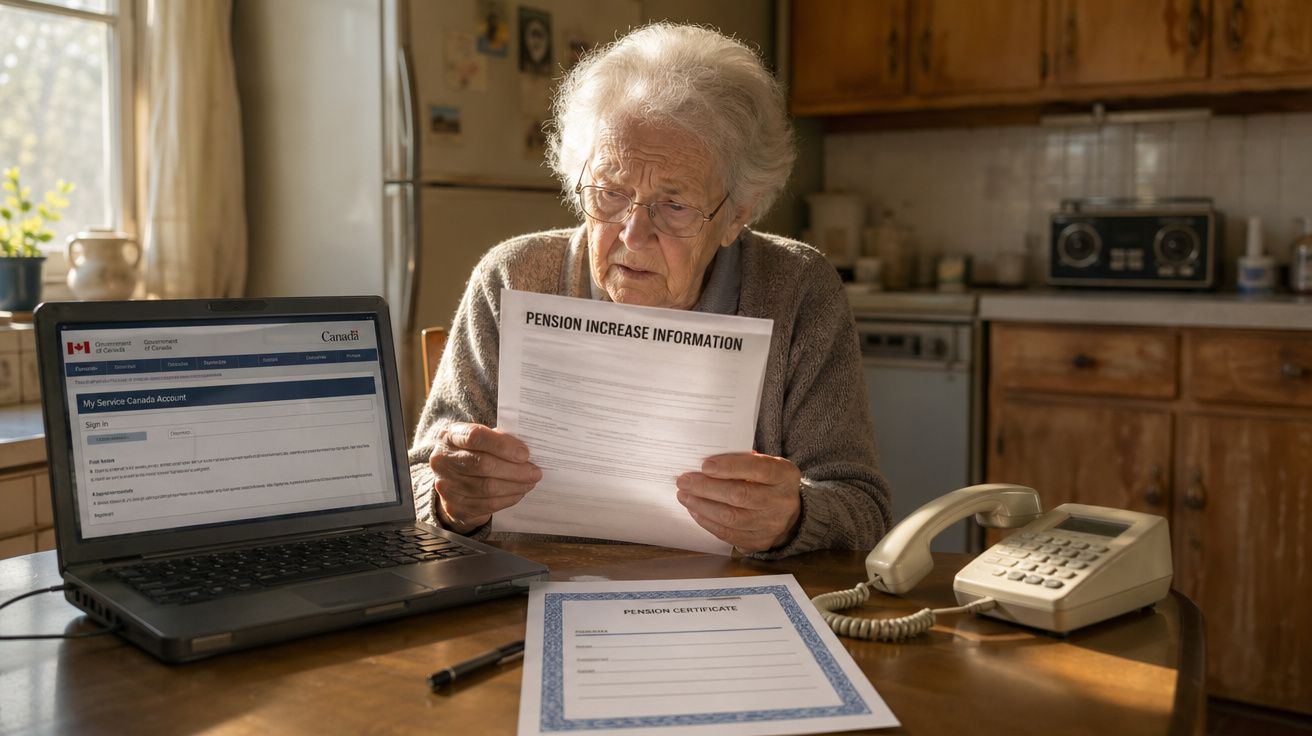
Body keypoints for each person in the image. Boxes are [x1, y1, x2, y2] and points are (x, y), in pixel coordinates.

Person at [408, 23, 891, 558]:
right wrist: (453, 500)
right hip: (533, 592)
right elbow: (416, 485)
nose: (633, 234)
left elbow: (861, 507)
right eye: (612, 193)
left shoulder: (798, 289)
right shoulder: (512, 277)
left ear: (736, 215)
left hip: (725, 606)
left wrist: (794, 519)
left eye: (675, 205)